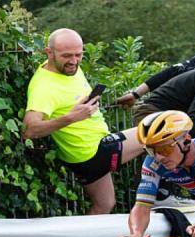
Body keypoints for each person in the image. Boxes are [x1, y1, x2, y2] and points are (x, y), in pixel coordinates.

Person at [22, 28, 143, 215]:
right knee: (159, 129)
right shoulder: (43, 87)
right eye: (67, 56)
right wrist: (71, 117)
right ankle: (162, 195)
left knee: (104, 205)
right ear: (49, 53)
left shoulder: (70, 70)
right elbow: (29, 130)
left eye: (79, 55)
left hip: (82, 158)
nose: (74, 61)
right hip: (93, 151)